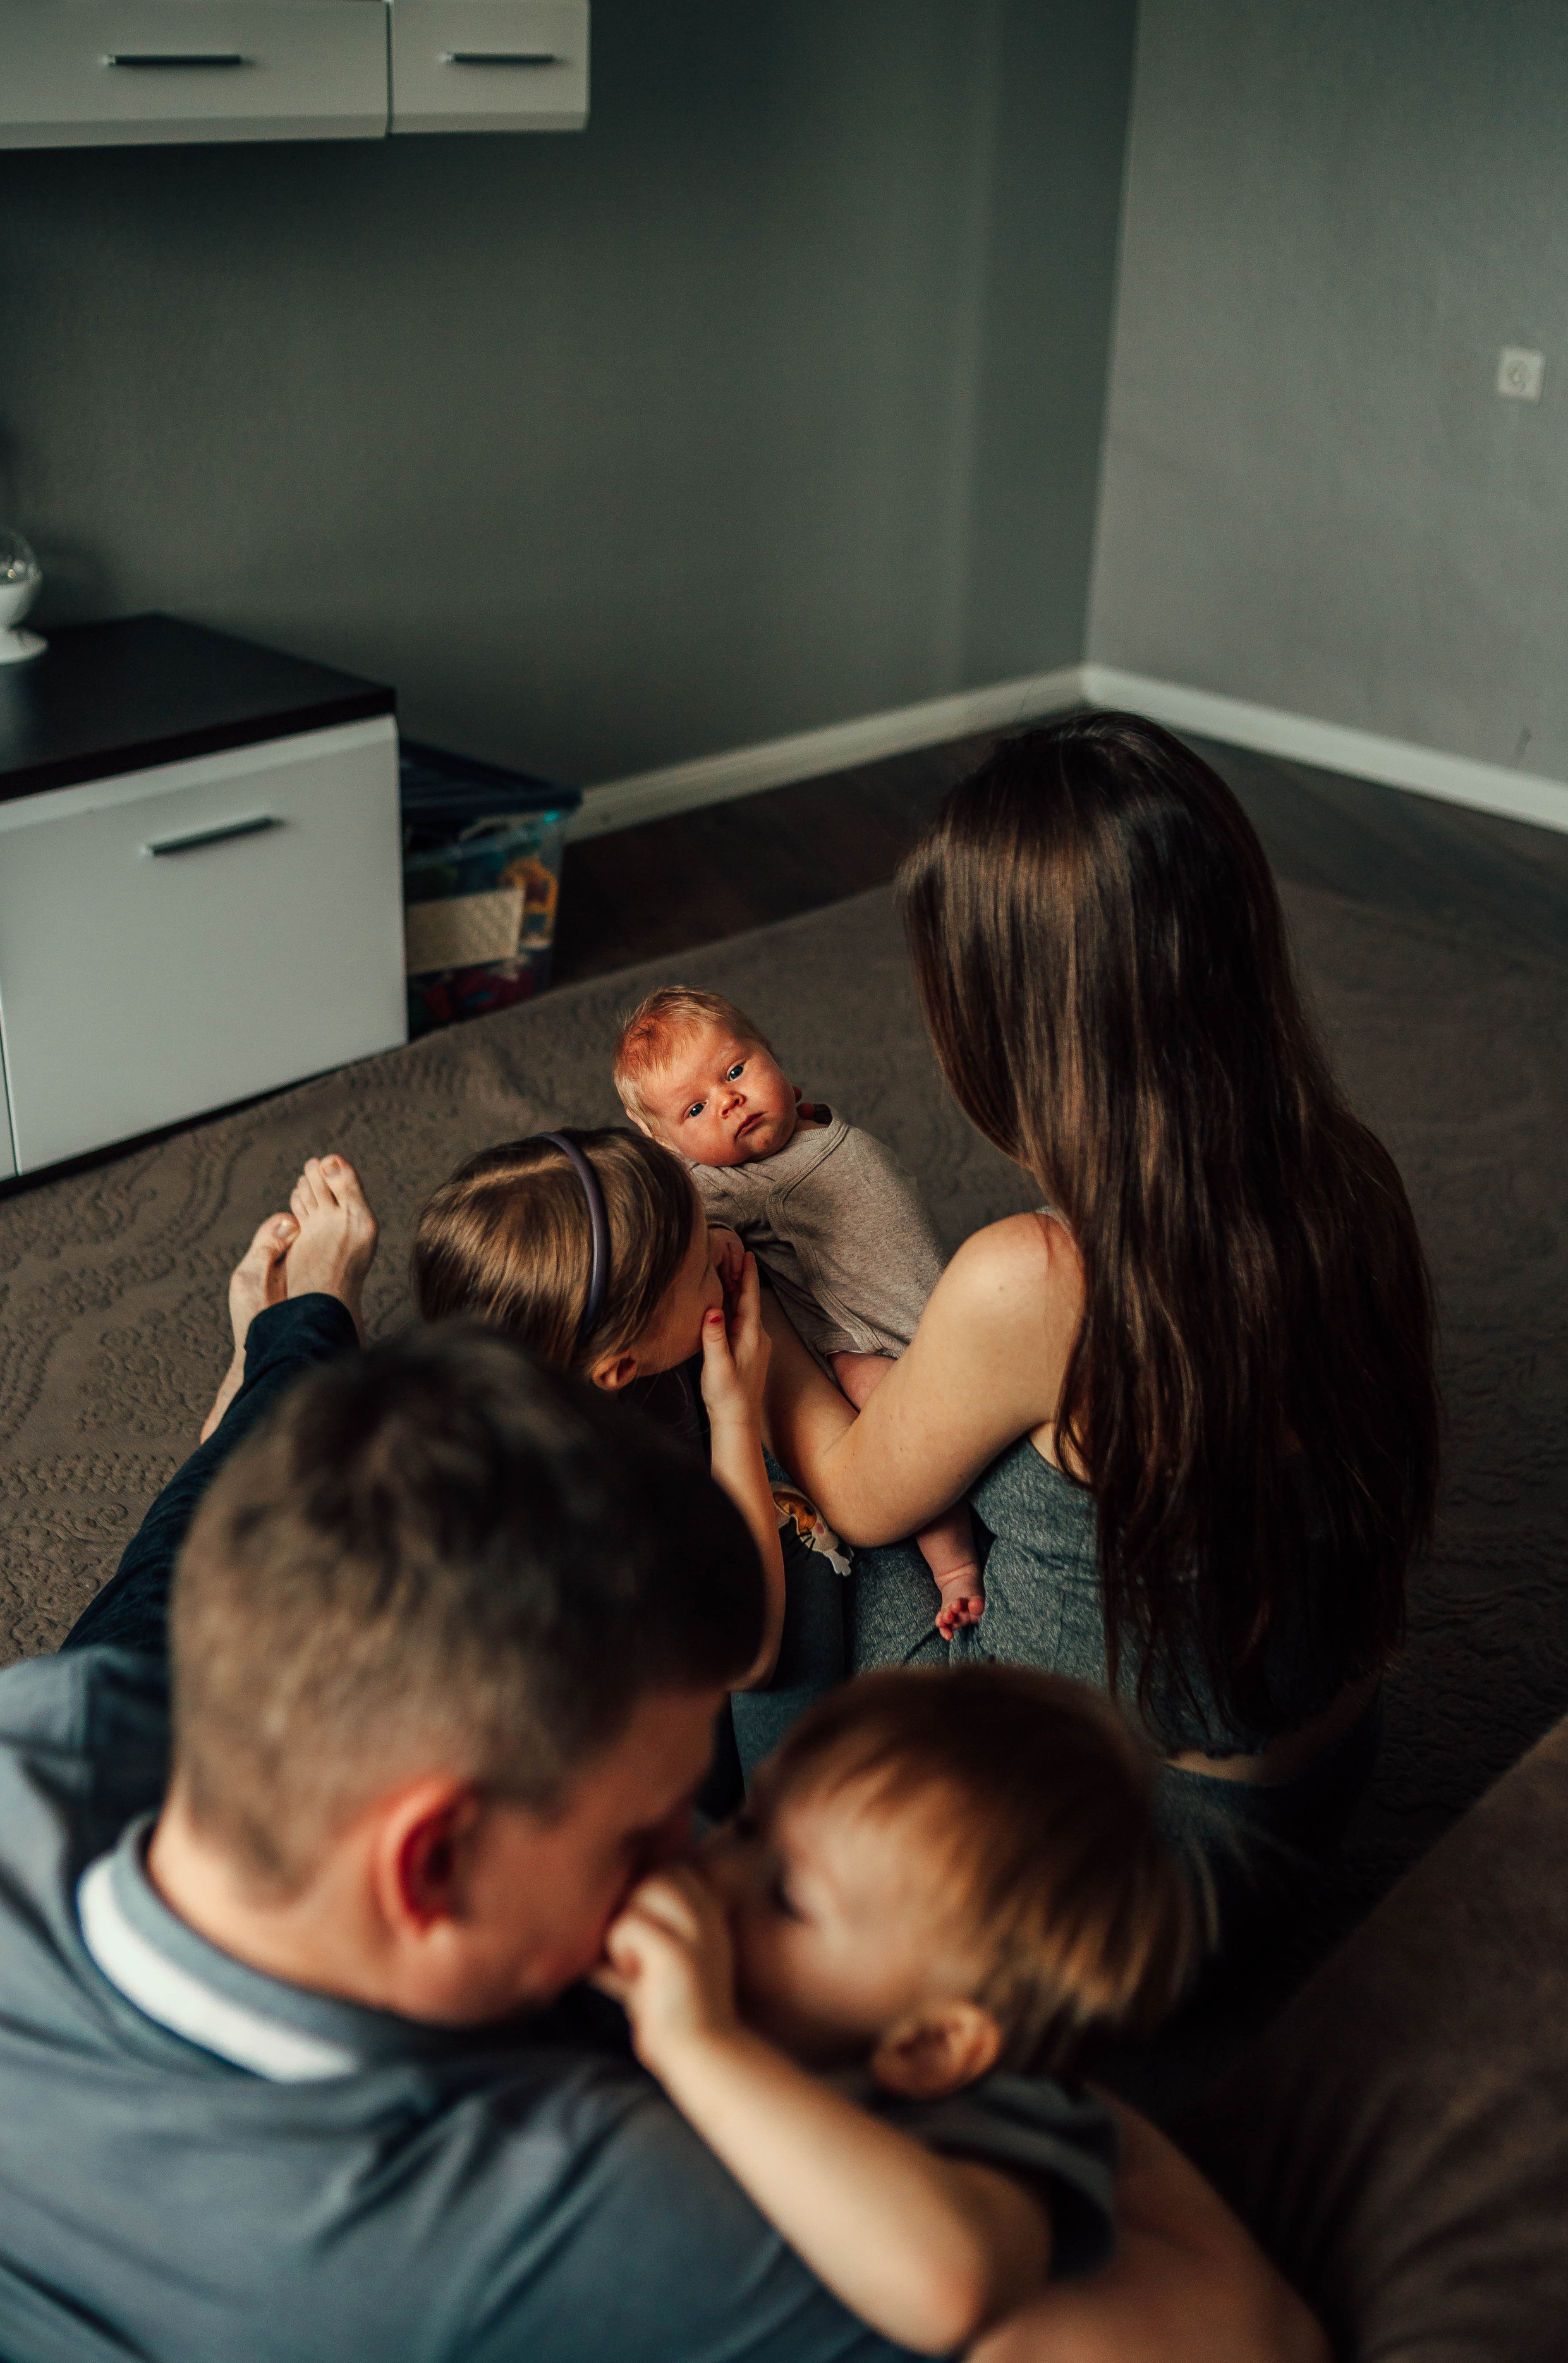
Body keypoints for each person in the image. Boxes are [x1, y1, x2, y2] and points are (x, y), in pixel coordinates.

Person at [0, 1192, 1326, 2362]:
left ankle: (291, 1352)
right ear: (429, 1863)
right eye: (642, 1827)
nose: (686, 1853)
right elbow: (1234, 2333)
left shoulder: (17, 1740)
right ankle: (289, 1355)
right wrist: (1026, 2102)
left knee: (207, 1547)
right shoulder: (560, 2210)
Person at [761, 714, 1440, 1935]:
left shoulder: (1032, 1279)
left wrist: (759, 1330)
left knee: (763, 1484)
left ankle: (759, 1814)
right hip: (1302, 1799)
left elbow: (864, 1498)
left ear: (1014, 1027)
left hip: (1105, 1860)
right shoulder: (1354, 1174)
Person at [599, 1667, 1194, 2354]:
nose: (715, 1872)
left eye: (787, 1898)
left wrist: (697, 2043)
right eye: (747, 1823)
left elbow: (950, 2286)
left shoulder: (1006, 2119)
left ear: (932, 2045)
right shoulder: (763, 1984)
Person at [411, 1126, 840, 1768]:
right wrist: (734, 1416)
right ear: (618, 1368)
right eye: (702, 1268)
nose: (727, 1245)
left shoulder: (546, 1359)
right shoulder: (590, 1509)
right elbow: (749, 1655)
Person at [613, 984, 983, 1638]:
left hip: (942, 1299)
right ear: (670, 1145)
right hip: (866, 1346)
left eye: (735, 1071)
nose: (729, 1101)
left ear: (772, 1054)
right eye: (696, 1108)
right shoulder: (722, 1183)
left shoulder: (812, 1120)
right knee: (909, 1440)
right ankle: (955, 1569)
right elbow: (688, 1225)